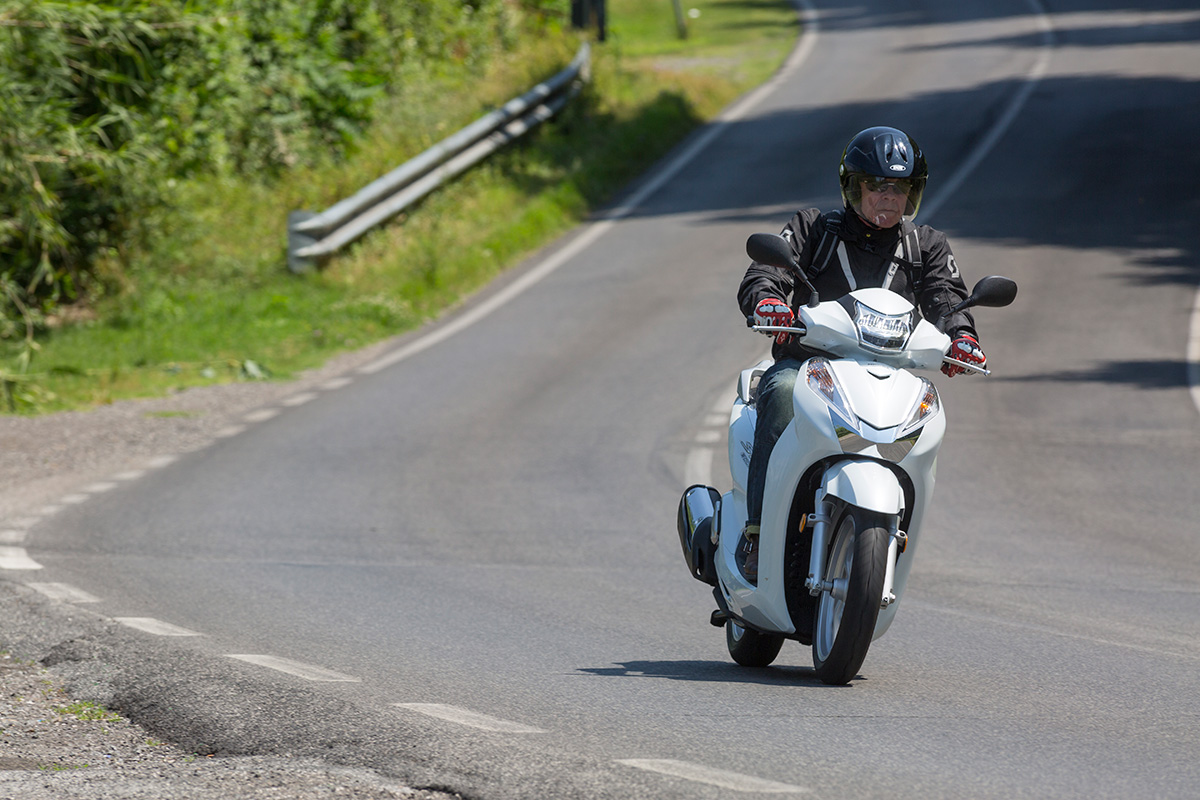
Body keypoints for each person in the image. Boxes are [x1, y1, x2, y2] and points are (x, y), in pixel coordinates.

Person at [736, 126, 986, 582]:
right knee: (781, 388)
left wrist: (962, 337)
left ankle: (891, 534)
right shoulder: (815, 229)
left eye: (900, 188)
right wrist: (768, 300)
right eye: (877, 186)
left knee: (927, 418)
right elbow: (766, 271)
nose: (889, 198)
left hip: (890, 378)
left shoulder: (926, 246)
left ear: (913, 194)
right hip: (811, 366)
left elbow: (947, 298)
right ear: (853, 187)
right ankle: (757, 533)